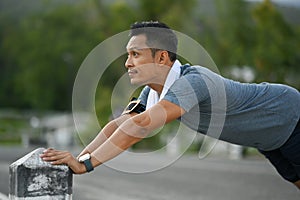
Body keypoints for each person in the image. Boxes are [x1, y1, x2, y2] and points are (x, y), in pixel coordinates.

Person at [40, 21, 300, 189]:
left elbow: (140, 126)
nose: (127, 63)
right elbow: (118, 125)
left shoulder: (193, 82)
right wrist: (79, 159)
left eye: (136, 54)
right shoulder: (151, 93)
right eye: (127, 55)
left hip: (290, 116)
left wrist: (85, 165)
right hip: (270, 141)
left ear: (161, 57)